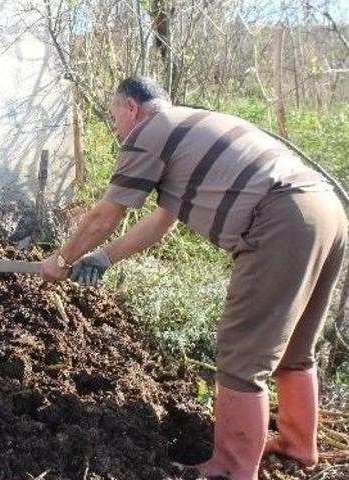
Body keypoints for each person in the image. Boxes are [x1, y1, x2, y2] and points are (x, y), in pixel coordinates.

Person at [40, 76, 346, 479]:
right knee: (293, 349)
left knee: (241, 356)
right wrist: (103, 258)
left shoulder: (148, 133)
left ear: (131, 107)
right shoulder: (190, 128)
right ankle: (296, 445)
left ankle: (231, 469)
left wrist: (62, 258)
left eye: (115, 115)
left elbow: (105, 214)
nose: (115, 128)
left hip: (278, 220)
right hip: (326, 212)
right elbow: (160, 223)